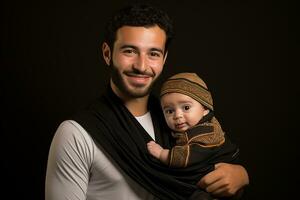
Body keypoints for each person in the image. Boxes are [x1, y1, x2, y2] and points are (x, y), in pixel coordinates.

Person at [45, 3, 249, 200]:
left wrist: (240, 175)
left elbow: (204, 165)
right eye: (129, 51)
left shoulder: (177, 120)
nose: (142, 66)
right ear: (108, 54)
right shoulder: (75, 134)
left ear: (164, 58)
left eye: (153, 53)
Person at [147, 72, 239, 199]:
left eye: (186, 107)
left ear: (205, 108)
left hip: (219, 179)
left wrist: (162, 153)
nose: (177, 115)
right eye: (169, 111)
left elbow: (189, 156)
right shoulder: (187, 129)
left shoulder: (206, 131)